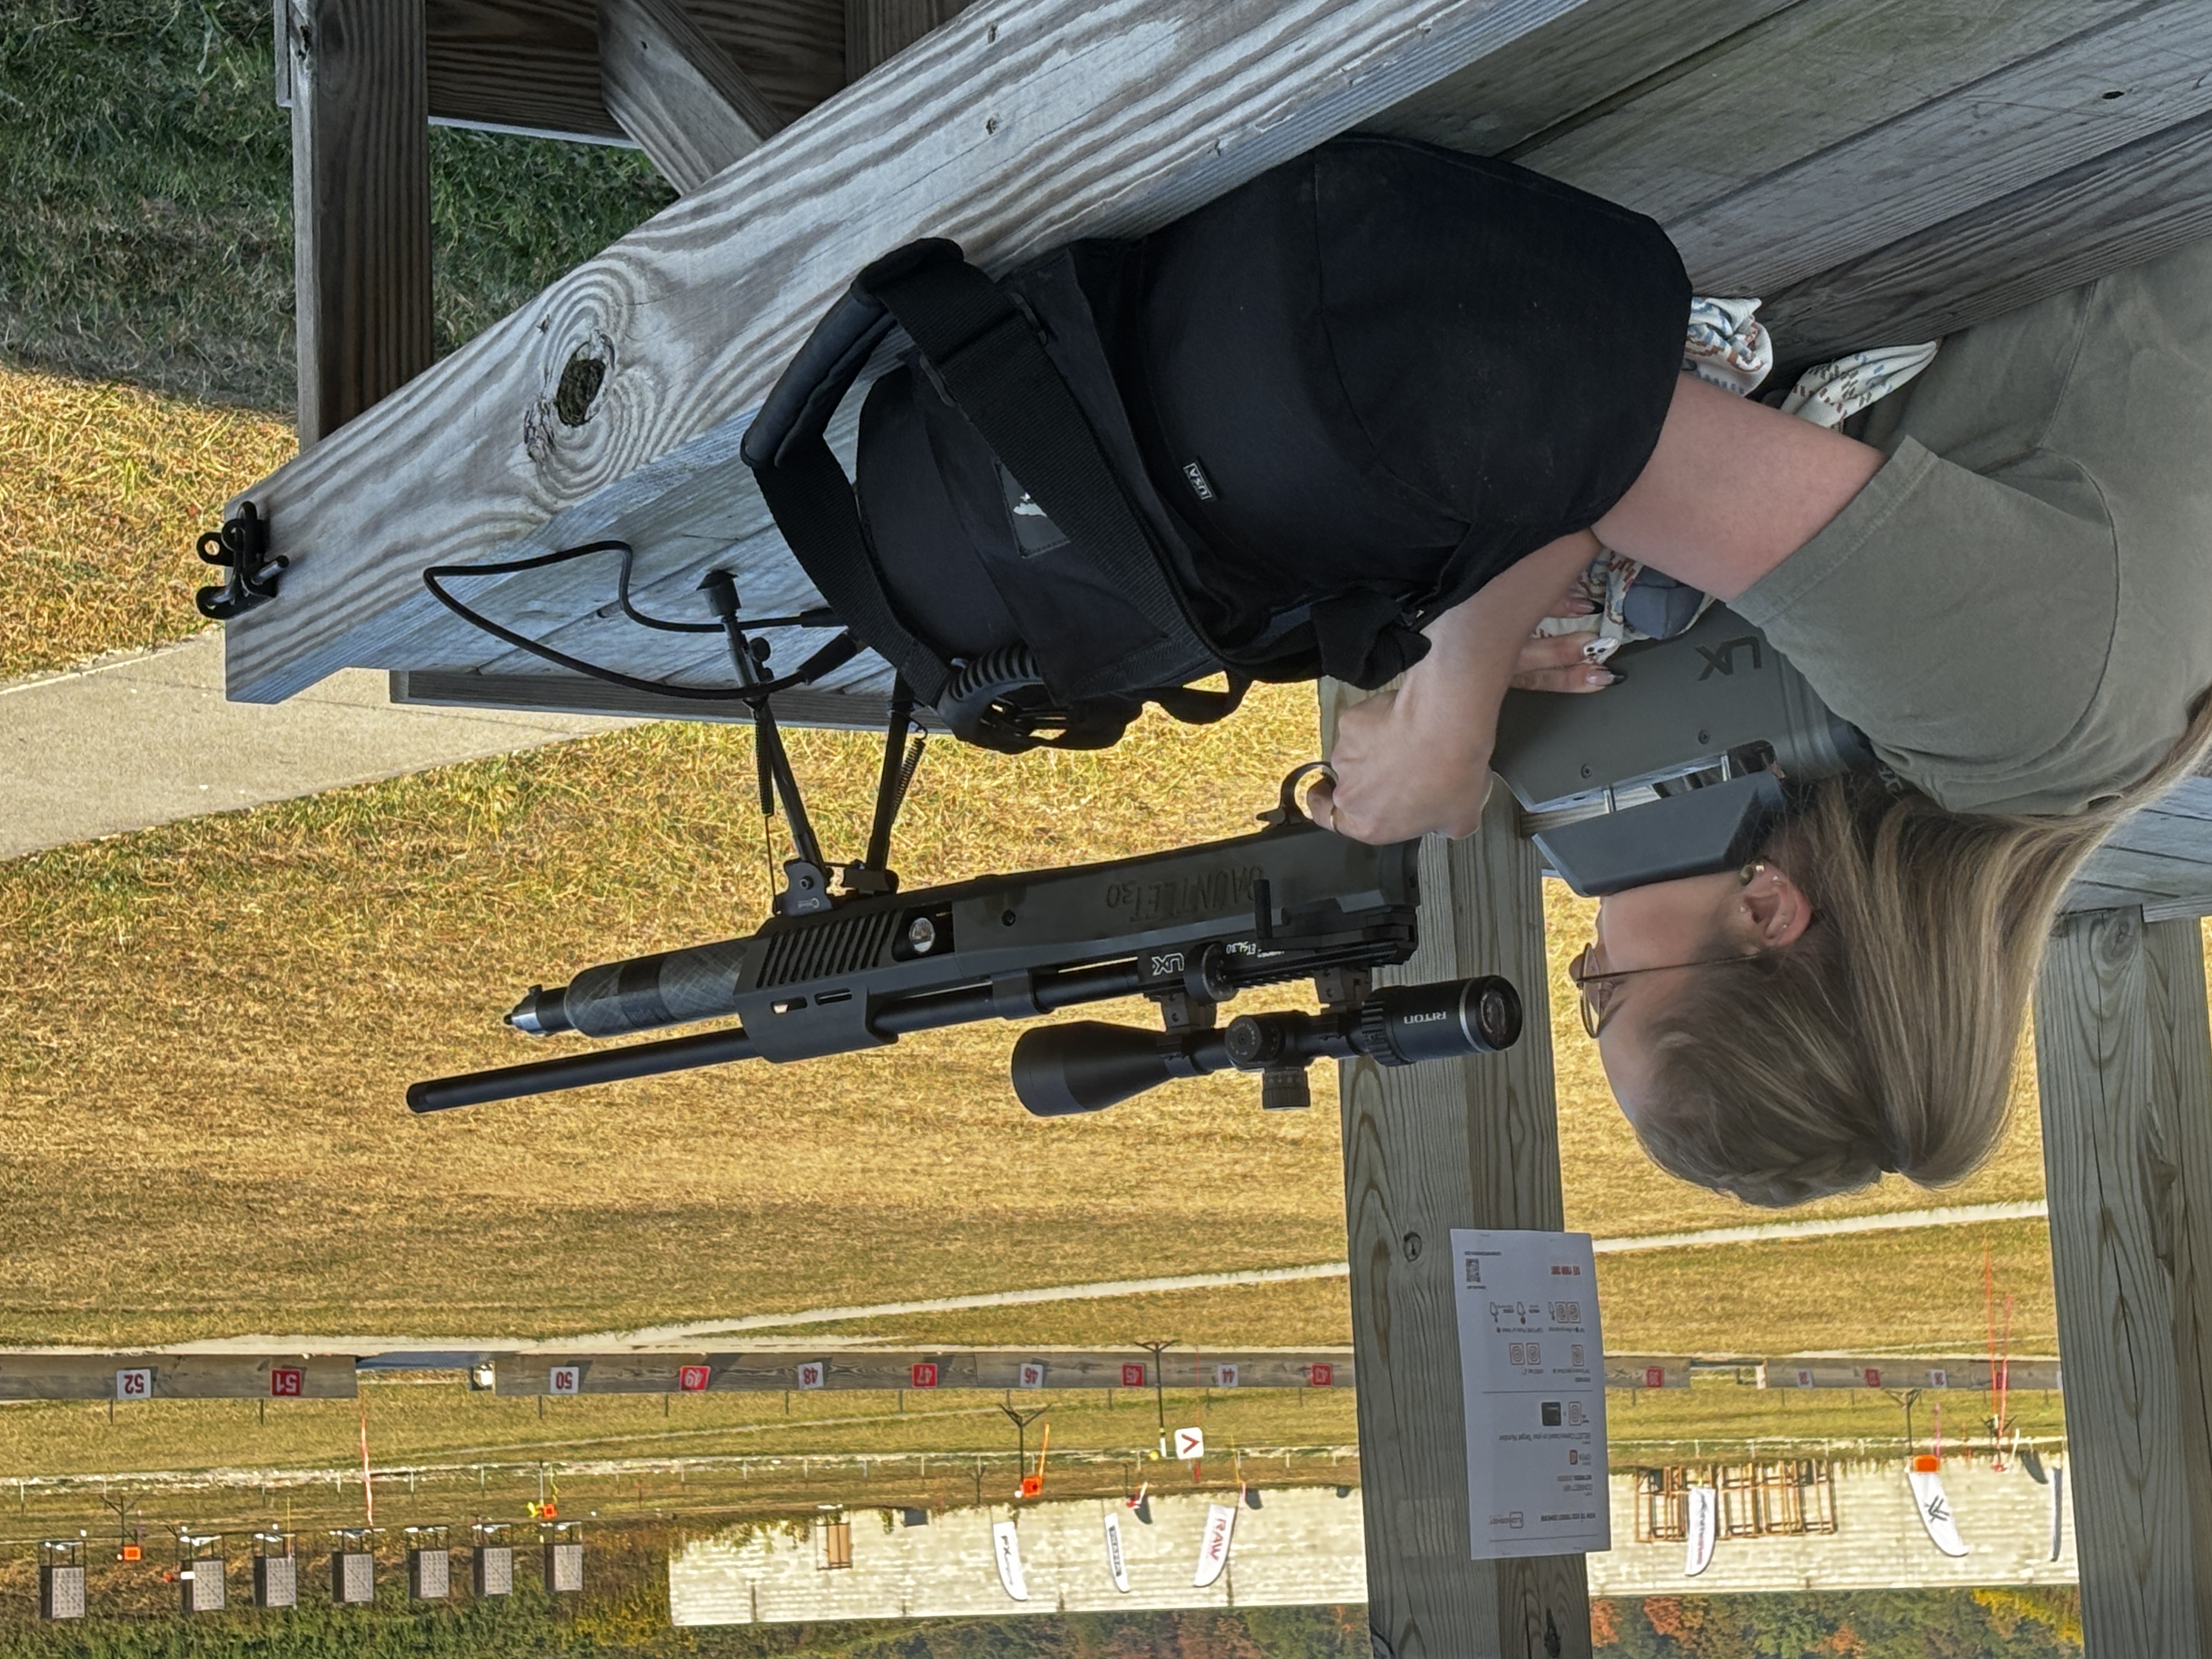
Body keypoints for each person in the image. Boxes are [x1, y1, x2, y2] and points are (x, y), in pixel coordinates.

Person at [1308, 238, 2212, 1207]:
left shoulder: (1959, 780)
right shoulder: (2015, 711)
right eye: (1607, 993)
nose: (1592, 955)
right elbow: (1577, 411)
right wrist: (1446, 715)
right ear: (1768, 914)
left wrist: (1507, 618)